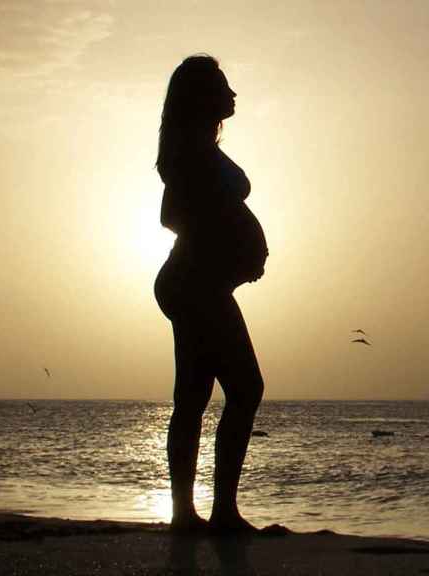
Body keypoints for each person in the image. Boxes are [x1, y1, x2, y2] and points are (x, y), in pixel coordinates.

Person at [154, 54, 269, 533]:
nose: (233, 94)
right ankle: (216, 512)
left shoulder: (199, 147)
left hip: (200, 281)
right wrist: (227, 242)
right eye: (224, 86)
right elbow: (172, 216)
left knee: (195, 396)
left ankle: (194, 513)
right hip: (195, 282)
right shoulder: (189, 153)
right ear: (202, 97)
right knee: (245, 388)